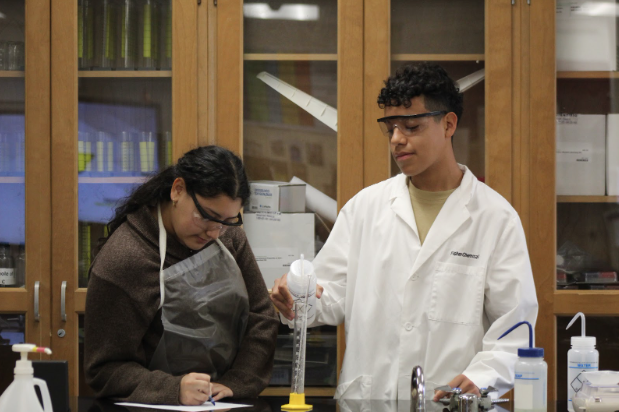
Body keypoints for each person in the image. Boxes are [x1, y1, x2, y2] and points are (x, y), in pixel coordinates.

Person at [271, 63, 538, 400]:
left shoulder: (496, 219)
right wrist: (298, 297)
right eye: (391, 128)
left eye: (411, 126)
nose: (397, 139)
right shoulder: (364, 209)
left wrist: (482, 376)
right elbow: (329, 295)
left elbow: (514, 328)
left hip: (448, 401)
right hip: (369, 401)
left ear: (449, 124)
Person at [84, 146, 278, 406]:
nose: (213, 232)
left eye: (227, 220)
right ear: (177, 190)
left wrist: (237, 381)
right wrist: (173, 389)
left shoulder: (227, 236)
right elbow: (104, 370)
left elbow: (262, 317)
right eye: (205, 217)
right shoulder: (124, 260)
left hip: (221, 403)